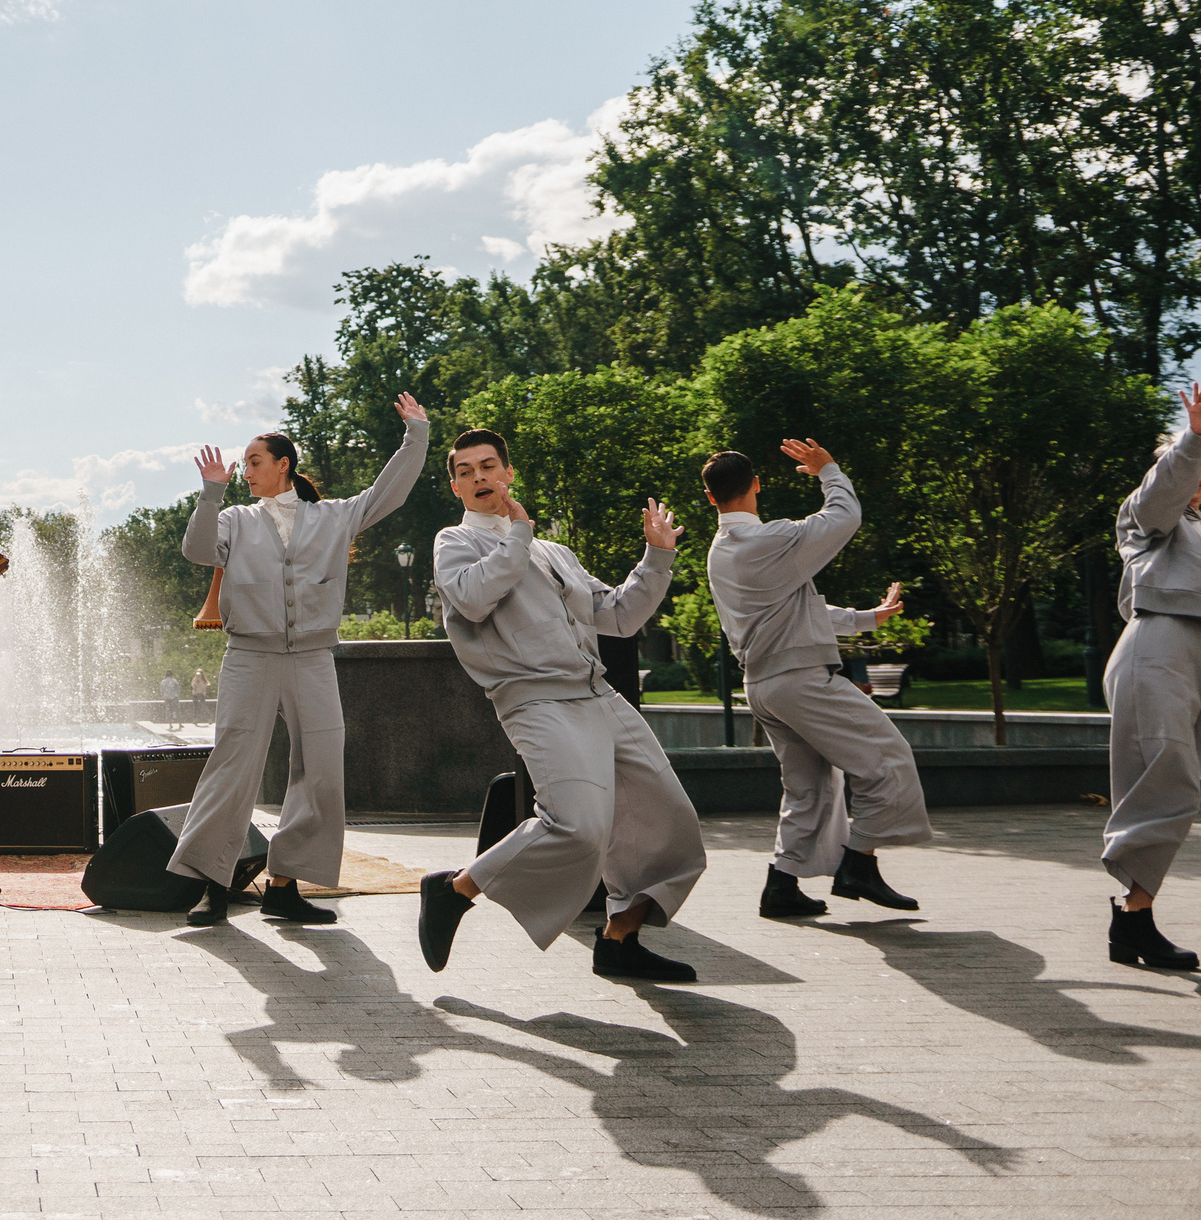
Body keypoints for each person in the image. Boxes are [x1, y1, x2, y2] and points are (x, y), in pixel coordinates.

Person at [416, 428, 707, 981]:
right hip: (535, 701)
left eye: (488, 466)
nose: (479, 477)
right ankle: (454, 890)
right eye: (465, 471)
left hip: (599, 695)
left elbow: (618, 615)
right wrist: (519, 534)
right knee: (576, 825)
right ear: (454, 486)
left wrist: (657, 558)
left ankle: (620, 941)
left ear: (508, 474)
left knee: (668, 821)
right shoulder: (454, 543)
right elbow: (475, 600)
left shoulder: (554, 552)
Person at [173, 401, 430, 927]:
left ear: (283, 464)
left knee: (321, 769)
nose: (245, 471)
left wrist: (416, 436)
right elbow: (198, 551)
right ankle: (210, 884)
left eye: (253, 461)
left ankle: (284, 886)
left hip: (313, 658)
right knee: (231, 766)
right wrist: (211, 490)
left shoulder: (333, 516)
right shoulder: (234, 519)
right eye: (243, 464)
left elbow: (389, 493)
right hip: (249, 657)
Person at [703, 439, 929, 918]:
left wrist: (866, 619)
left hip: (764, 685)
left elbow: (798, 611)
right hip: (799, 679)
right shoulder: (770, 538)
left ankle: (781, 886)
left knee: (809, 787)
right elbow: (843, 517)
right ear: (757, 485)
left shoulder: (721, 552)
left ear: (710, 497)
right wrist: (828, 469)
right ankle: (858, 864)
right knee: (887, 758)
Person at [1098, 388, 1201, 971]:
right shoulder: (1151, 518)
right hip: (1160, 647)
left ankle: (1134, 920)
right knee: (1169, 782)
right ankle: (1133, 917)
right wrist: (1194, 439)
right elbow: (1164, 493)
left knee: (1178, 787)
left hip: (1191, 656)